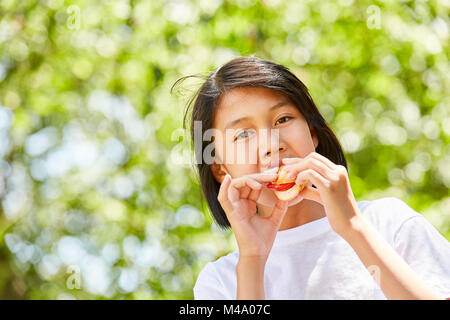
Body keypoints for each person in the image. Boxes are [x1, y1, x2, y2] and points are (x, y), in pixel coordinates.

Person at [178, 56, 450, 299]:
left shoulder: (391, 224)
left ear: (313, 134)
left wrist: (353, 227)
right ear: (220, 168)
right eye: (244, 134)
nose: (271, 144)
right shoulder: (220, 282)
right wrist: (253, 259)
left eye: (283, 119)